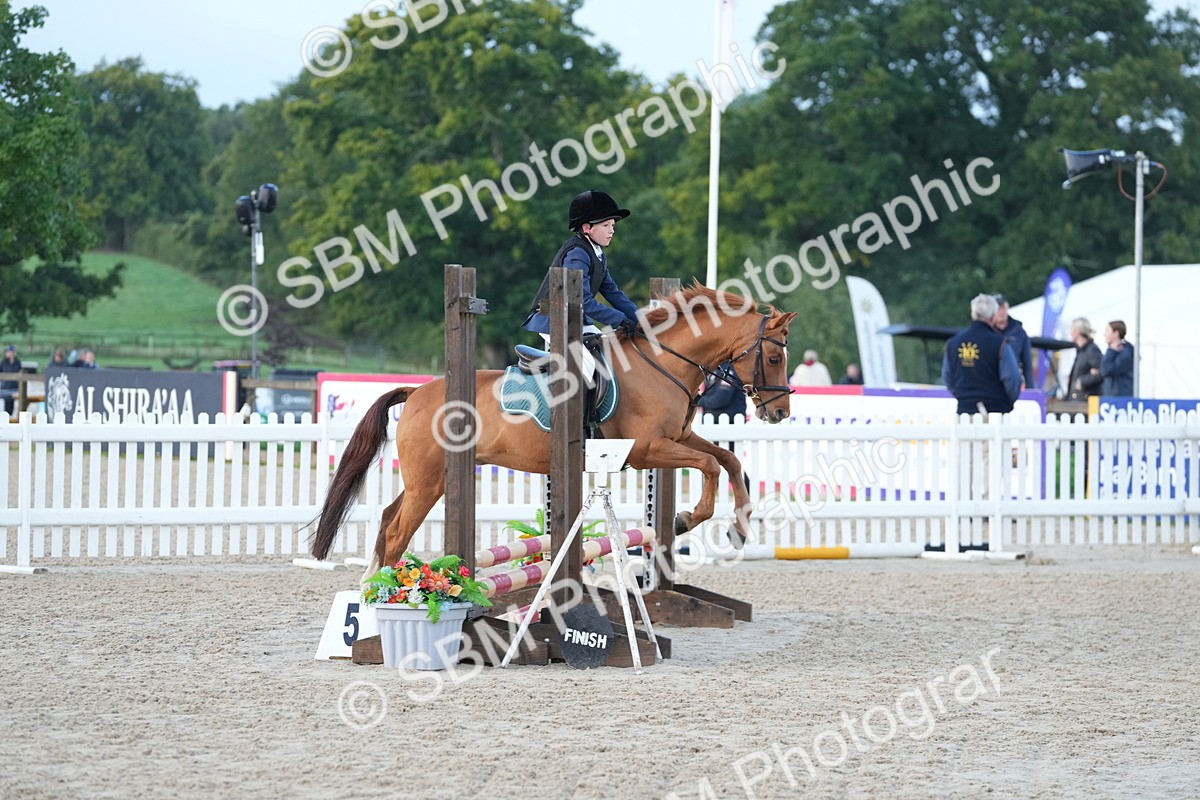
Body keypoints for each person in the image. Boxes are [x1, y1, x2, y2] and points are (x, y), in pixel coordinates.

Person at [522, 189, 640, 348]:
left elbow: (614, 294)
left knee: (606, 355)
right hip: (553, 319)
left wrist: (641, 319)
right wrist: (619, 319)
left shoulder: (596, 254)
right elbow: (581, 300)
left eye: (612, 225)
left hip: (576, 318)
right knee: (590, 364)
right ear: (587, 228)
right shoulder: (577, 254)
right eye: (605, 225)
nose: (611, 230)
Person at [940, 294, 1021, 415]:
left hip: (964, 410)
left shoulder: (953, 343)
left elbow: (947, 377)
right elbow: (1012, 379)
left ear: (973, 314)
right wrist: (1006, 402)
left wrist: (964, 398)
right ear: (993, 316)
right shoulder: (1000, 344)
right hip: (996, 411)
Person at [696, 361, 751, 490]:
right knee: (721, 461)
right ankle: (710, 492)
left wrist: (698, 400)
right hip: (715, 425)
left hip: (729, 425)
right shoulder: (714, 370)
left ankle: (746, 491)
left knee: (729, 462)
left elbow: (720, 399)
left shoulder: (729, 371)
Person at [991, 294, 1033, 389]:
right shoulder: (986, 331)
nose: (1001, 312)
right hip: (990, 382)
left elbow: (1027, 365)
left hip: (1012, 382)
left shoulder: (1019, 332)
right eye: (997, 308)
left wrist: (1030, 390)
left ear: (1007, 307)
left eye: (1003, 307)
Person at [1064, 318, 1102, 401]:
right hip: (1076, 399)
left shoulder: (1092, 350)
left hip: (1084, 401)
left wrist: (1081, 381)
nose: (1070, 333)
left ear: (1077, 332)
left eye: (1071, 330)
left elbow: (1099, 373)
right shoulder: (1081, 351)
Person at [1098, 320, 1135, 396]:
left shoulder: (1126, 352)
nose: (1104, 334)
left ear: (1116, 333)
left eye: (1107, 331)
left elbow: (1106, 370)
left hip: (1120, 400)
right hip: (1110, 398)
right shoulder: (1114, 352)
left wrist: (1111, 351)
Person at [1, 345, 21, 416]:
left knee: (12, 404)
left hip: (14, 386)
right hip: (5, 387)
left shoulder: (17, 362)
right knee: (5, 405)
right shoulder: (3, 362)